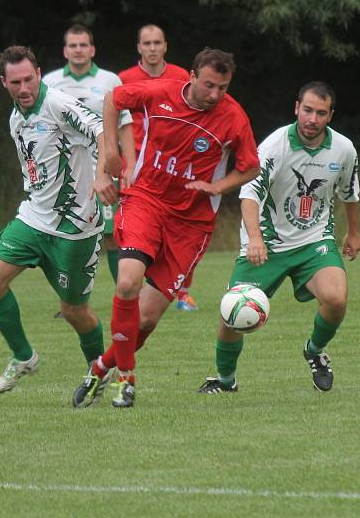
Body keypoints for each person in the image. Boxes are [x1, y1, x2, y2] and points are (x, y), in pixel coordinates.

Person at [74, 48, 261, 409]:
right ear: (191, 75)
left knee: (145, 318)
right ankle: (126, 379)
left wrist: (218, 188)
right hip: (146, 198)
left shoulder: (233, 117)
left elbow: (250, 167)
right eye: (208, 85)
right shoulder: (161, 92)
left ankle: (102, 367)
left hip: (191, 225)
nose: (214, 94)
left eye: (222, 87)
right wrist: (111, 150)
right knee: (127, 281)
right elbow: (114, 98)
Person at [198, 81, 360, 394]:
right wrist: (255, 238)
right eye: (308, 110)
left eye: (321, 113)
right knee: (232, 312)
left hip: (314, 241)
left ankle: (314, 350)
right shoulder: (273, 146)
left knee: (336, 299)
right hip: (267, 244)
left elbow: (349, 192)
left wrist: (353, 232)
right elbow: (249, 193)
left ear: (331, 116)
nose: (313, 118)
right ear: (297, 108)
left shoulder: (343, 149)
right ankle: (225, 380)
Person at [0, 45, 116, 396]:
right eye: (15, 82)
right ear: (3, 83)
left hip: (75, 226)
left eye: (29, 79)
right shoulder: (16, 119)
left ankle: (98, 368)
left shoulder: (59, 104)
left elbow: (102, 131)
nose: (24, 88)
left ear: (39, 74)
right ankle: (23, 357)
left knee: (73, 311)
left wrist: (102, 176)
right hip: (35, 217)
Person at [42, 24, 135, 288]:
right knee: (67, 235)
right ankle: (71, 297)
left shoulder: (109, 80)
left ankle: (123, 295)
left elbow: (124, 123)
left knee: (112, 234)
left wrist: (130, 164)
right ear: (65, 51)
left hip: (103, 168)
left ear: (92, 49)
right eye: (73, 45)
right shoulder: (50, 83)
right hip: (66, 172)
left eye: (83, 45)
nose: (78, 50)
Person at [119, 24, 200, 311]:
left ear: (166, 46)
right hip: (137, 167)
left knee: (178, 229)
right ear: (138, 47)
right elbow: (118, 118)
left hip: (173, 167)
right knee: (135, 228)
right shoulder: (125, 79)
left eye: (157, 43)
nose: (152, 48)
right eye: (147, 43)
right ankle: (137, 282)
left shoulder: (181, 77)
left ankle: (183, 291)